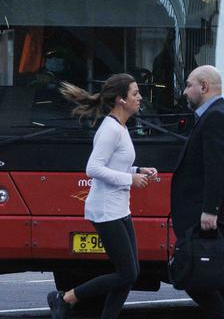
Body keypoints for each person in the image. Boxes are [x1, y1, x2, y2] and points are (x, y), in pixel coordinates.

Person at [46, 73, 158, 319]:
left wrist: (138, 170)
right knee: (127, 273)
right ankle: (66, 298)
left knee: (131, 272)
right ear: (120, 100)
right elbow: (93, 168)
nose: (140, 98)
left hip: (119, 208)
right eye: (135, 93)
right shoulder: (110, 130)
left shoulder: (121, 127)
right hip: (106, 210)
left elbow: (115, 165)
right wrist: (131, 179)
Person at [171, 65, 224, 319]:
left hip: (218, 218)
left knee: (191, 272)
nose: (185, 92)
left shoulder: (216, 117)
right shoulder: (221, 113)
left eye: (188, 85)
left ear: (204, 86)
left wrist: (210, 210)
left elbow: (217, 168)